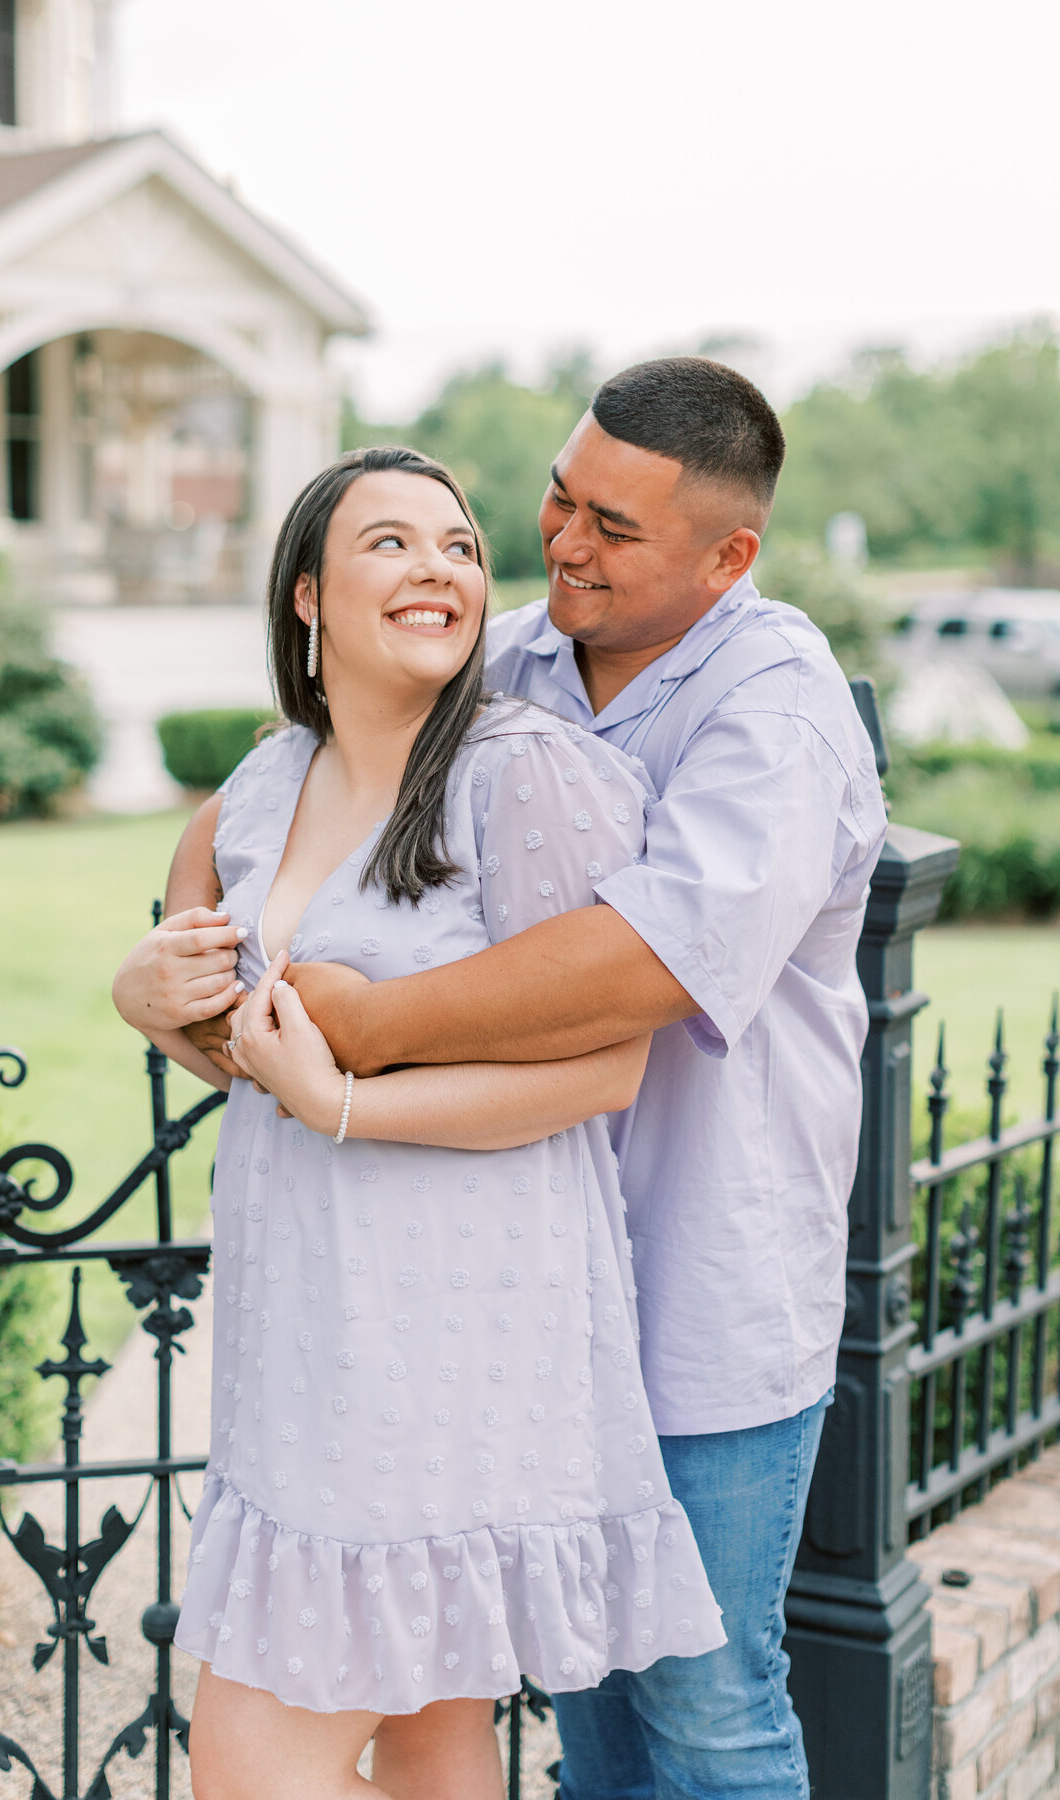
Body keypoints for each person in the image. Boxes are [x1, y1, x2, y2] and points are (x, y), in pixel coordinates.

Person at [148, 357, 888, 1800]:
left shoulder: (777, 711)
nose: (560, 543)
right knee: (584, 1724)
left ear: (727, 555)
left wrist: (363, 1041)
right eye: (556, 499)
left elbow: (648, 970)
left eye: (613, 526)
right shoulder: (517, 658)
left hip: (698, 1287)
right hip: (506, 1294)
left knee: (705, 1711)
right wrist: (150, 980)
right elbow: (271, 859)